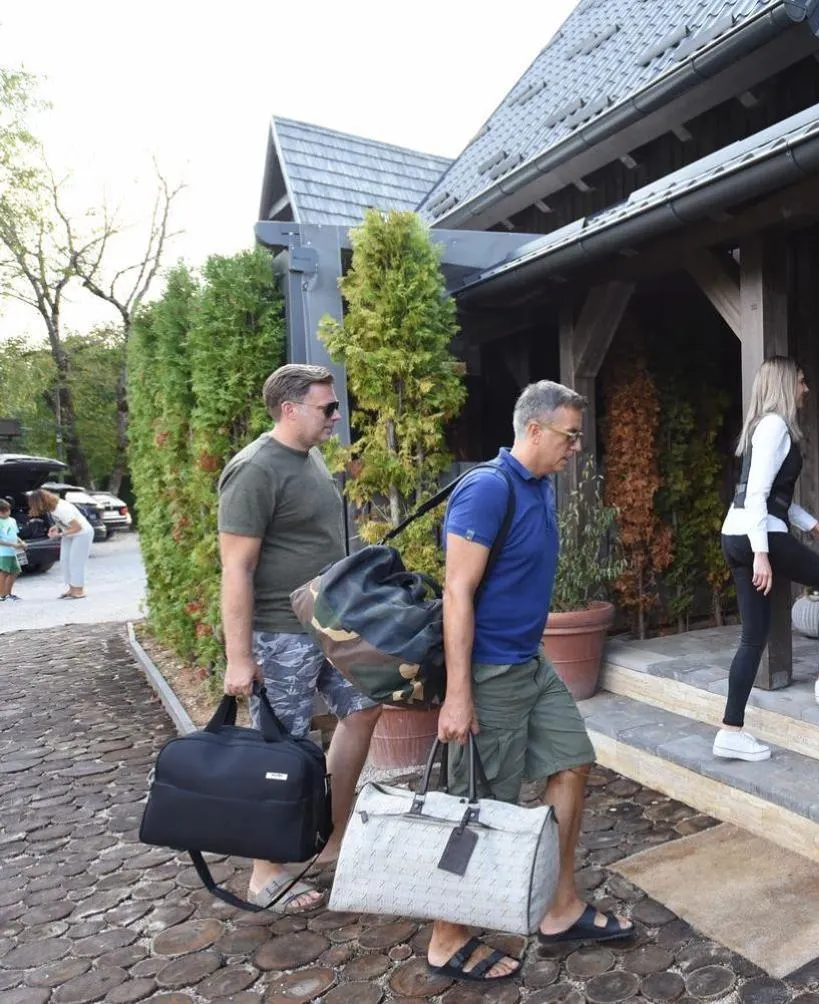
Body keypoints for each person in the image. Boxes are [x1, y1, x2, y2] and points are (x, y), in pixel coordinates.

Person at [429, 380, 632, 984]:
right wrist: (459, 694)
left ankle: (558, 905)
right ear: (535, 430)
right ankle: (447, 937)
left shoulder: (539, 486)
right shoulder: (488, 490)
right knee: (478, 807)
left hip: (530, 661)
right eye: (570, 436)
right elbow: (456, 592)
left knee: (572, 760)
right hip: (489, 672)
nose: (576, 448)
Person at [217, 363, 381, 913]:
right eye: (327, 407)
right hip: (280, 634)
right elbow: (236, 569)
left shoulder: (307, 456)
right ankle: (265, 874)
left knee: (363, 711)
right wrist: (239, 658)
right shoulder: (254, 470)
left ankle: (328, 839)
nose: (337, 416)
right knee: (280, 751)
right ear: (290, 409)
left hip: (329, 624)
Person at [715, 356, 819, 762]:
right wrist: (763, 554)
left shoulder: (760, 427)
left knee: (753, 637)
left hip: (736, 533)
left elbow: (772, 497)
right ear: (786, 385)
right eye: (801, 381)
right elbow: (757, 498)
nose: (806, 388)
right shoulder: (775, 426)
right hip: (757, 534)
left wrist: (812, 524)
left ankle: (730, 731)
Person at [27, 489, 90, 599]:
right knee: (65, 561)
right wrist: (55, 527)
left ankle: (79, 591)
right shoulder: (52, 507)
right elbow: (61, 522)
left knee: (76, 562)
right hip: (70, 533)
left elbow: (77, 527)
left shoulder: (62, 509)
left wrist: (59, 535)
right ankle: (72, 589)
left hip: (82, 533)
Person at [0, 500, 24, 600]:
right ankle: (1, 595)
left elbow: (15, 534)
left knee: (15, 571)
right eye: (3, 511)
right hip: (3, 553)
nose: (6, 512)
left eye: (8, 510)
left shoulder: (12, 520)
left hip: (13, 552)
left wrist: (21, 542)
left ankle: (8, 593)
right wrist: (13, 545)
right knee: (4, 572)